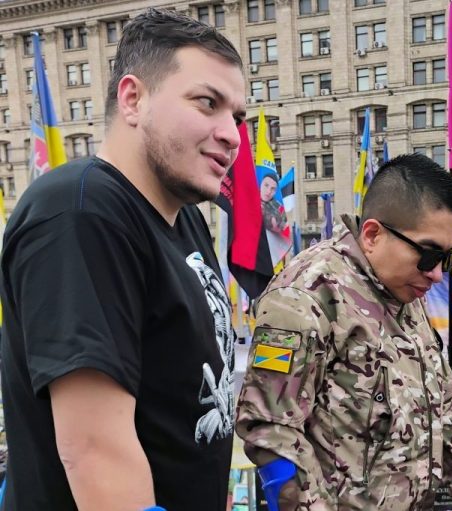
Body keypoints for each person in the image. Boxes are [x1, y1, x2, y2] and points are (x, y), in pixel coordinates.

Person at [0, 9, 246, 511]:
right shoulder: (80, 213)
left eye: (237, 116)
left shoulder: (185, 219)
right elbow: (95, 453)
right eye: (207, 104)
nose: (232, 134)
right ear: (133, 98)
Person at [236, 154, 452, 510]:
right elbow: (270, 431)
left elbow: (445, 409)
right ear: (373, 234)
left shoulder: (404, 289)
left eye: (448, 259)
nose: (437, 274)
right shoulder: (305, 296)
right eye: (428, 256)